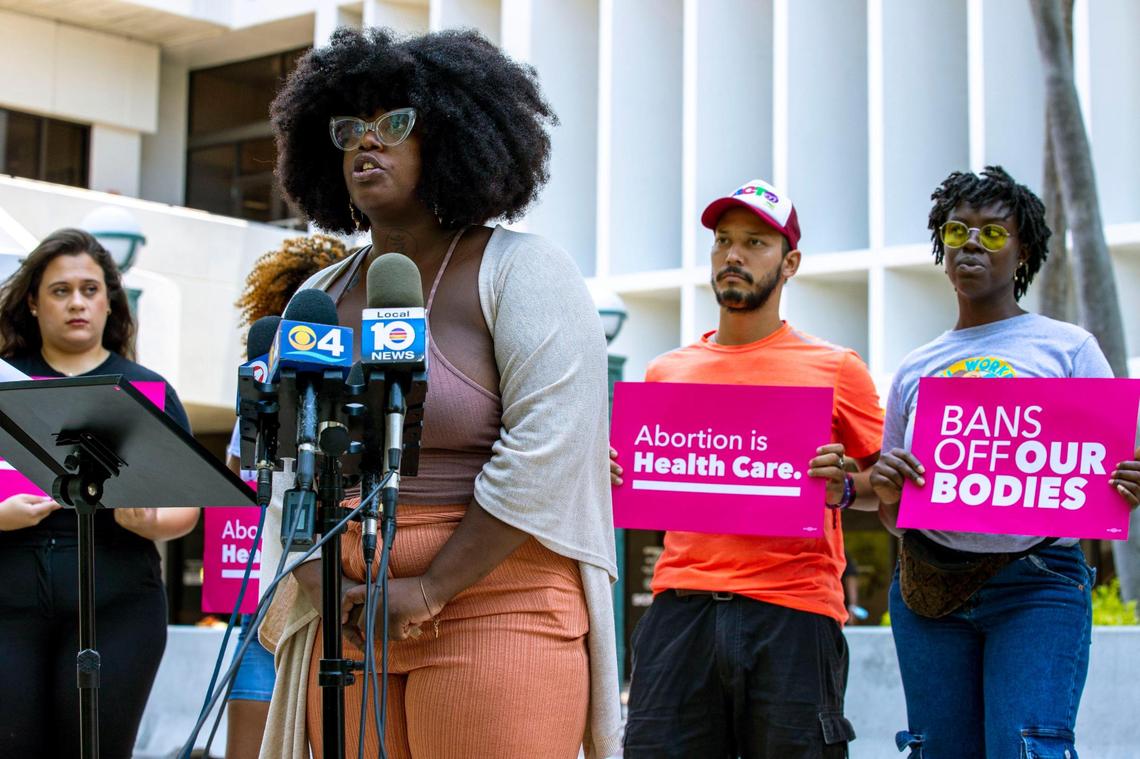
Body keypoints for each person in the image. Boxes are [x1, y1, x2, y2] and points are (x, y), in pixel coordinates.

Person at [258, 27, 620, 759]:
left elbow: (546, 454)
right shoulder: (319, 297)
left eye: (395, 124)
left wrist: (431, 587)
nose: (368, 143)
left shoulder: (525, 271)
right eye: (349, 129)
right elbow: (289, 466)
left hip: (497, 598)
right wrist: (323, 579)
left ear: (455, 136)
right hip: (352, 608)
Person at [870, 166, 1140, 758]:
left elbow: (1107, 477)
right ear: (942, 244)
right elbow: (899, 515)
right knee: (939, 750)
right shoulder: (916, 368)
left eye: (993, 234)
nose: (971, 242)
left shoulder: (1069, 348)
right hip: (928, 590)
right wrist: (889, 493)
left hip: (1037, 586)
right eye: (958, 229)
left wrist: (1128, 483)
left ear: (1022, 252)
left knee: (1028, 746)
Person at [616, 179, 884, 758]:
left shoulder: (836, 368)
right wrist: (614, 473)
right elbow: (643, 488)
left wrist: (841, 488)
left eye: (755, 242)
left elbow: (887, 489)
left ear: (790, 263)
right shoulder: (666, 372)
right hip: (679, 608)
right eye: (723, 241)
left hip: (793, 613)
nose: (733, 255)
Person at [0, 228, 199, 759]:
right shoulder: (3, 383)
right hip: (7, 601)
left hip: (119, 605)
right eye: (60, 290)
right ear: (33, 303)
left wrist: (150, 522)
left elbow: (187, 508)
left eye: (90, 289)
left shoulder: (146, 388)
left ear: (110, 302)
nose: (77, 303)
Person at [222, 233, 349, 759]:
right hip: (272, 598)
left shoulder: (359, 391)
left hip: (346, 597)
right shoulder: (260, 398)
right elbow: (237, 477)